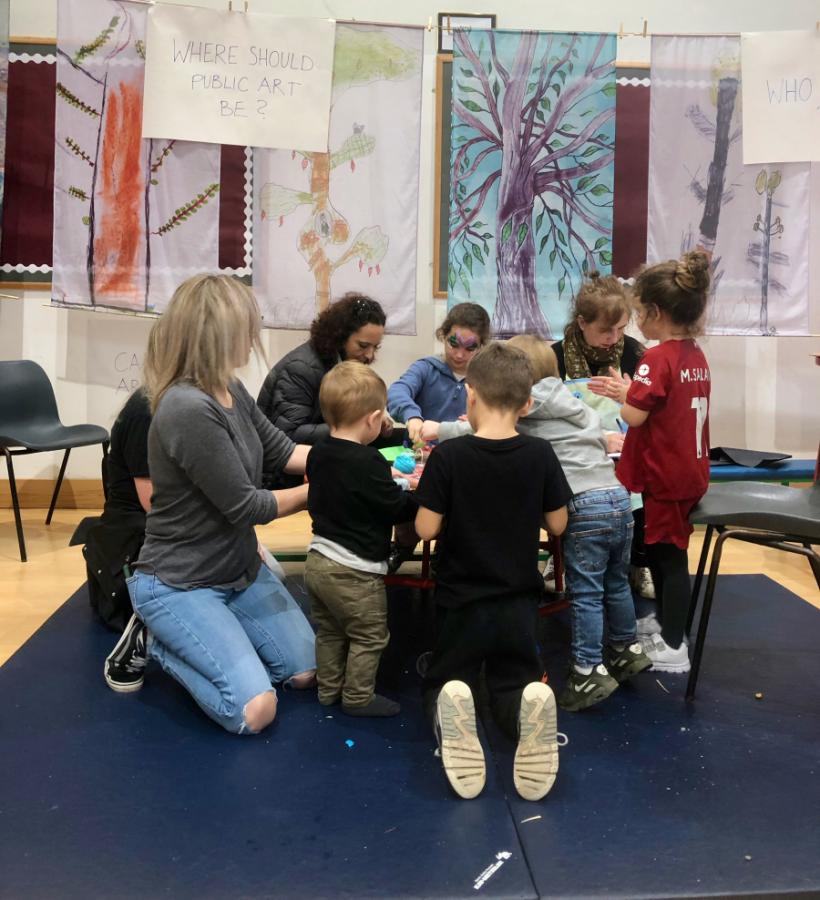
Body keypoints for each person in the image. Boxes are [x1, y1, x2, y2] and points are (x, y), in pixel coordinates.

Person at [109, 274, 317, 734]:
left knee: (305, 671)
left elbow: (285, 451)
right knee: (254, 712)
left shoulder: (231, 388)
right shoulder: (186, 407)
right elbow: (248, 508)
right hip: (180, 583)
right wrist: (323, 491)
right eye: (245, 326)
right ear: (214, 334)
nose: (254, 335)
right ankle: (160, 639)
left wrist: (350, 461)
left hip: (237, 570)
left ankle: (213, 633)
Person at [413, 342, 572, 801]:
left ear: (470, 395)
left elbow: (425, 529)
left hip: (461, 603)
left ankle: (453, 718)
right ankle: (525, 717)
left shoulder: (449, 457)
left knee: (445, 680)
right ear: (527, 403)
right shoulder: (540, 454)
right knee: (513, 682)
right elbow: (559, 523)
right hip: (518, 603)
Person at [507, 335, 651, 711]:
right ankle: (625, 648)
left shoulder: (525, 411)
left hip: (585, 507)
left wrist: (438, 430)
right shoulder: (577, 404)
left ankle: (587, 671)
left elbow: (491, 431)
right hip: (619, 500)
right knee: (616, 584)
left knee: (585, 594)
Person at [614, 251, 712, 674]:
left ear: (655, 312)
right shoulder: (693, 354)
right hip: (687, 470)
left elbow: (635, 415)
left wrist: (622, 393)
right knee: (664, 554)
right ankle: (670, 624)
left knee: (668, 559)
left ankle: (675, 646)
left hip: (666, 476)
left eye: (638, 313)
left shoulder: (656, 358)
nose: (637, 322)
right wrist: (632, 389)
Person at [304, 361, 418, 717]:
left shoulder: (319, 450)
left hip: (318, 561)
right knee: (369, 636)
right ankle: (357, 696)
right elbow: (395, 508)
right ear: (373, 419)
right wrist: (420, 494)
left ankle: (328, 689)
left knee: (330, 631)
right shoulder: (368, 461)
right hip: (354, 571)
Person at [552, 273, 654, 602]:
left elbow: (654, 415)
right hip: (574, 455)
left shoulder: (638, 357)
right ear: (582, 322)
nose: (614, 338)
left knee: (640, 491)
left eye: (621, 329)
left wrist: (629, 396)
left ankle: (639, 562)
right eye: (605, 330)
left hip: (626, 453)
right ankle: (560, 558)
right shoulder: (555, 357)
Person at [256, 293, 390, 489]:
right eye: (363, 346)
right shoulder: (301, 368)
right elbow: (289, 434)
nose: (369, 355)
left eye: (375, 347)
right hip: (278, 479)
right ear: (340, 336)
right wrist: (356, 424)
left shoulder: (340, 363)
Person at [387, 303, 491, 445]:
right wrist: (412, 416)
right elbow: (396, 392)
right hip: (421, 455)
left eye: (470, 348)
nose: (459, 355)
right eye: (453, 343)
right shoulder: (425, 368)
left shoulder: (487, 379)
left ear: (481, 346)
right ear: (443, 335)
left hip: (465, 456)